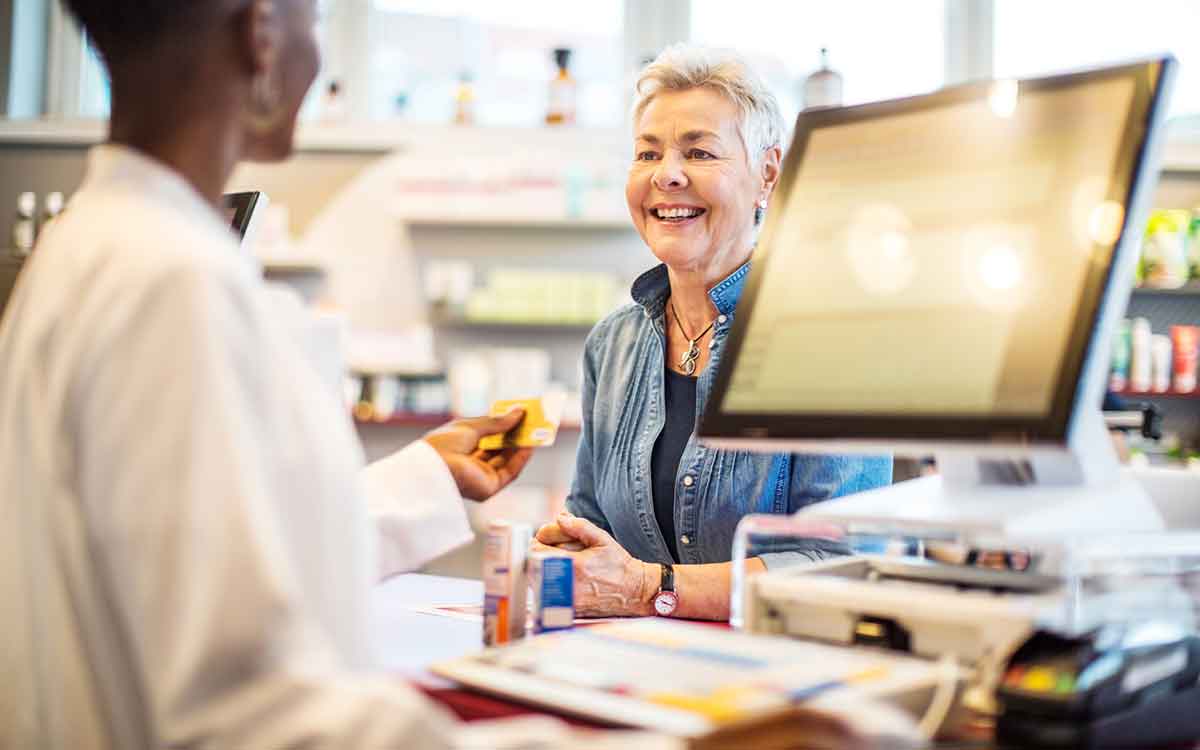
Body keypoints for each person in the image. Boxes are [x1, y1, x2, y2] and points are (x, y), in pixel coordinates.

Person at [0, 1, 533, 747]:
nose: (319, 57)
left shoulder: (90, 244)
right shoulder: (170, 281)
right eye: (313, 21)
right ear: (261, 35)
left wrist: (429, 478)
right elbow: (241, 710)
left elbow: (211, 560)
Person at [535, 45, 891, 620]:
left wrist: (650, 588)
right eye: (647, 153)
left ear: (767, 174)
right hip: (634, 670)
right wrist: (563, 557)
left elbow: (843, 561)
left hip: (781, 678)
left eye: (699, 152)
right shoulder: (614, 344)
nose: (666, 174)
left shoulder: (830, 341)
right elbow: (589, 523)